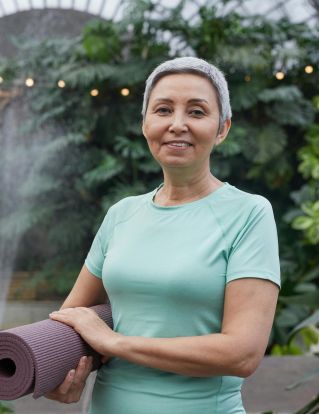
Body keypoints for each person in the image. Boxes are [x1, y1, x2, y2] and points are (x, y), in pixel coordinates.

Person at [47, 56, 280, 414]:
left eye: (197, 112)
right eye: (163, 110)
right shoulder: (122, 214)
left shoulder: (249, 213)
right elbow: (73, 319)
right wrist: (56, 370)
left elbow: (243, 353)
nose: (177, 124)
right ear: (145, 124)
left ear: (223, 128)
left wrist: (115, 343)